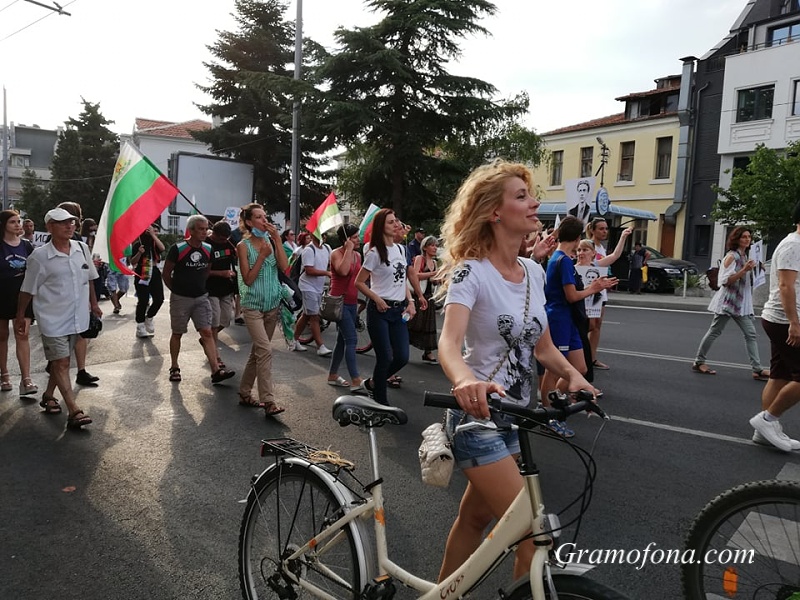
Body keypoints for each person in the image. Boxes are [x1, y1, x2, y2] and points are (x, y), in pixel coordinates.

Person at [434, 160, 594, 582]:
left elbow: (542, 347)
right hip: (478, 418)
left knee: (474, 520)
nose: (534, 202)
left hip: (517, 418)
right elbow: (449, 343)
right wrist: (464, 379)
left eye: (531, 195)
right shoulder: (473, 271)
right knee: (532, 530)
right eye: (521, 196)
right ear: (494, 212)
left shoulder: (534, 273)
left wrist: (573, 375)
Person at [16, 207, 101, 429]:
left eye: (72, 222)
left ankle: (48, 395)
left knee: (59, 360)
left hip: (78, 318)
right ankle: (74, 410)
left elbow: (90, 278)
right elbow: (27, 289)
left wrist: (93, 304)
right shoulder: (40, 256)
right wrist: (20, 316)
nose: (69, 226)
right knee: (62, 361)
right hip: (52, 319)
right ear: (50, 227)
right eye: (63, 222)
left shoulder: (81, 249)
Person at [541, 216, 616, 436]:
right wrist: (594, 288)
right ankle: (549, 413)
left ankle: (554, 400)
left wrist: (596, 286)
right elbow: (571, 295)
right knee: (553, 371)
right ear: (577, 237)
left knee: (580, 368)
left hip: (569, 319)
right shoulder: (562, 260)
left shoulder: (560, 257)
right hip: (559, 319)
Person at [355, 208, 425, 405]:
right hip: (379, 311)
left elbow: (401, 279)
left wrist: (411, 301)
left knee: (402, 357)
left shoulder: (401, 250)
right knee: (385, 357)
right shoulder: (374, 252)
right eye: (391, 222)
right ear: (381, 227)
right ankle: (380, 402)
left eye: (396, 221)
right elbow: (359, 282)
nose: (397, 225)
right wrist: (376, 299)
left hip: (398, 310)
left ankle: (372, 383)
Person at [749, 202, 800, 452]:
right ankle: (768, 420)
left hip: (782, 318)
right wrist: (794, 323)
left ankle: (763, 432)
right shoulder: (794, 245)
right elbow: (785, 286)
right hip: (784, 319)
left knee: (780, 375)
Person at [162, 214, 235, 385]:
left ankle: (216, 370)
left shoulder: (207, 249)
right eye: (200, 229)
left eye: (205, 229)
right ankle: (174, 366)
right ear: (191, 231)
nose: (204, 232)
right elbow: (166, 273)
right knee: (177, 333)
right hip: (181, 298)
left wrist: (200, 288)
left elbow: (206, 271)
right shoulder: (178, 249)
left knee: (208, 332)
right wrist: (177, 290)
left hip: (202, 297)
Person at [692, 226, 770, 381]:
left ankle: (757, 369)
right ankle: (698, 362)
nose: (747, 239)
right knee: (715, 331)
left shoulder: (744, 256)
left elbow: (747, 280)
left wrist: (757, 270)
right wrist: (745, 270)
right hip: (728, 302)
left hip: (740, 303)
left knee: (751, 334)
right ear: (736, 239)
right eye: (744, 237)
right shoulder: (731, 257)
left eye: (749, 236)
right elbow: (725, 281)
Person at [236, 203, 288, 416]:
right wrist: (262, 256)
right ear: (249, 222)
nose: (264, 221)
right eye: (259, 217)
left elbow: (285, 267)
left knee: (258, 353)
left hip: (272, 306)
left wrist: (277, 240)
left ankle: (244, 392)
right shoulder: (243, 246)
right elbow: (248, 279)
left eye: (265, 217)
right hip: (253, 307)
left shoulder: (270, 241)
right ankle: (268, 401)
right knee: (265, 350)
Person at [57, 201, 101, 386]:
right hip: (61, 299)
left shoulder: (78, 243)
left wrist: (93, 302)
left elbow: (88, 274)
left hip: (79, 297)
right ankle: (56, 374)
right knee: (62, 340)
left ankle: (81, 370)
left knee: (81, 334)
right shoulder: (53, 243)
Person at [584, 217, 632, 370]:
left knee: (597, 326)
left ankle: (591, 358)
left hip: (600, 292)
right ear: (592, 230)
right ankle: (578, 356)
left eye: (606, 229)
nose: (605, 231)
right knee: (588, 325)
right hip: (590, 291)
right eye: (601, 229)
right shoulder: (588, 246)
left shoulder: (601, 247)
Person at [0, 210, 37, 395]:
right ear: (4, 225)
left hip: (23, 295)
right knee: (2, 336)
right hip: (2, 294)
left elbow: (34, 270)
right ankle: (4, 375)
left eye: (18, 221)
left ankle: (26, 380)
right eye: (12, 222)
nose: (17, 225)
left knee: (22, 334)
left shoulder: (27, 246)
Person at [326, 223, 365, 391]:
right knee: (351, 339)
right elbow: (342, 271)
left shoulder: (358, 255)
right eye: (355, 237)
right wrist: (348, 250)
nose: (358, 240)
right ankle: (355, 379)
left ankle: (333, 375)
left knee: (342, 341)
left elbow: (359, 278)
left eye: (358, 236)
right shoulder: (336, 253)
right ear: (346, 239)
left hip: (351, 302)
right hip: (338, 302)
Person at [290, 231, 333, 356]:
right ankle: (320, 346)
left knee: (306, 315)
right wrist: (326, 273)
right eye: (320, 235)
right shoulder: (309, 250)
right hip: (307, 287)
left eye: (324, 235)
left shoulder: (327, 248)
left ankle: (293, 339)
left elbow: (330, 264)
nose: (322, 237)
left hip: (319, 287)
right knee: (314, 316)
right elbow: (309, 270)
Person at [206, 221, 238, 370]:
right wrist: (221, 273)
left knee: (225, 320)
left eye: (226, 239)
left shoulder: (229, 243)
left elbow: (234, 261)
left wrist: (237, 255)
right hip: (210, 289)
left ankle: (207, 339)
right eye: (221, 239)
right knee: (214, 322)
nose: (224, 241)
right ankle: (216, 357)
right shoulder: (206, 245)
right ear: (214, 234)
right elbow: (203, 271)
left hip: (226, 288)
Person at [128, 224, 165, 338]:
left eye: (156, 231)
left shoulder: (155, 243)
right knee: (143, 300)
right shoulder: (138, 244)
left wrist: (154, 236)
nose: (155, 232)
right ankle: (140, 325)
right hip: (141, 272)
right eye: (152, 230)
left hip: (154, 271)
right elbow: (132, 262)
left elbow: (162, 248)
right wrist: (139, 252)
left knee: (159, 299)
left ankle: (149, 317)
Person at [408, 235, 440, 364]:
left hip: (429, 295)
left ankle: (428, 352)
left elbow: (433, 280)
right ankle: (402, 345)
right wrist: (432, 274)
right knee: (414, 322)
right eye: (432, 245)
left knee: (428, 323)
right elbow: (415, 275)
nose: (435, 248)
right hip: (418, 294)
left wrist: (439, 279)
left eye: (436, 246)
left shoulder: (435, 262)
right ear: (425, 247)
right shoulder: (419, 259)